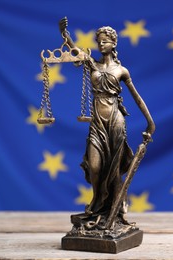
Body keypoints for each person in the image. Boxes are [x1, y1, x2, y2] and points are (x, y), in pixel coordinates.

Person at [59, 18, 155, 229]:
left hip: (115, 122)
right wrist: (65, 35)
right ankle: (98, 204)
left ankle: (116, 210)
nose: (101, 44)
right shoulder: (93, 64)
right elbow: (76, 52)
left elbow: (137, 98)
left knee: (114, 169)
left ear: (113, 43)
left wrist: (150, 123)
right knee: (94, 166)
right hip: (96, 123)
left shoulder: (122, 71)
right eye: (98, 41)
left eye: (105, 41)